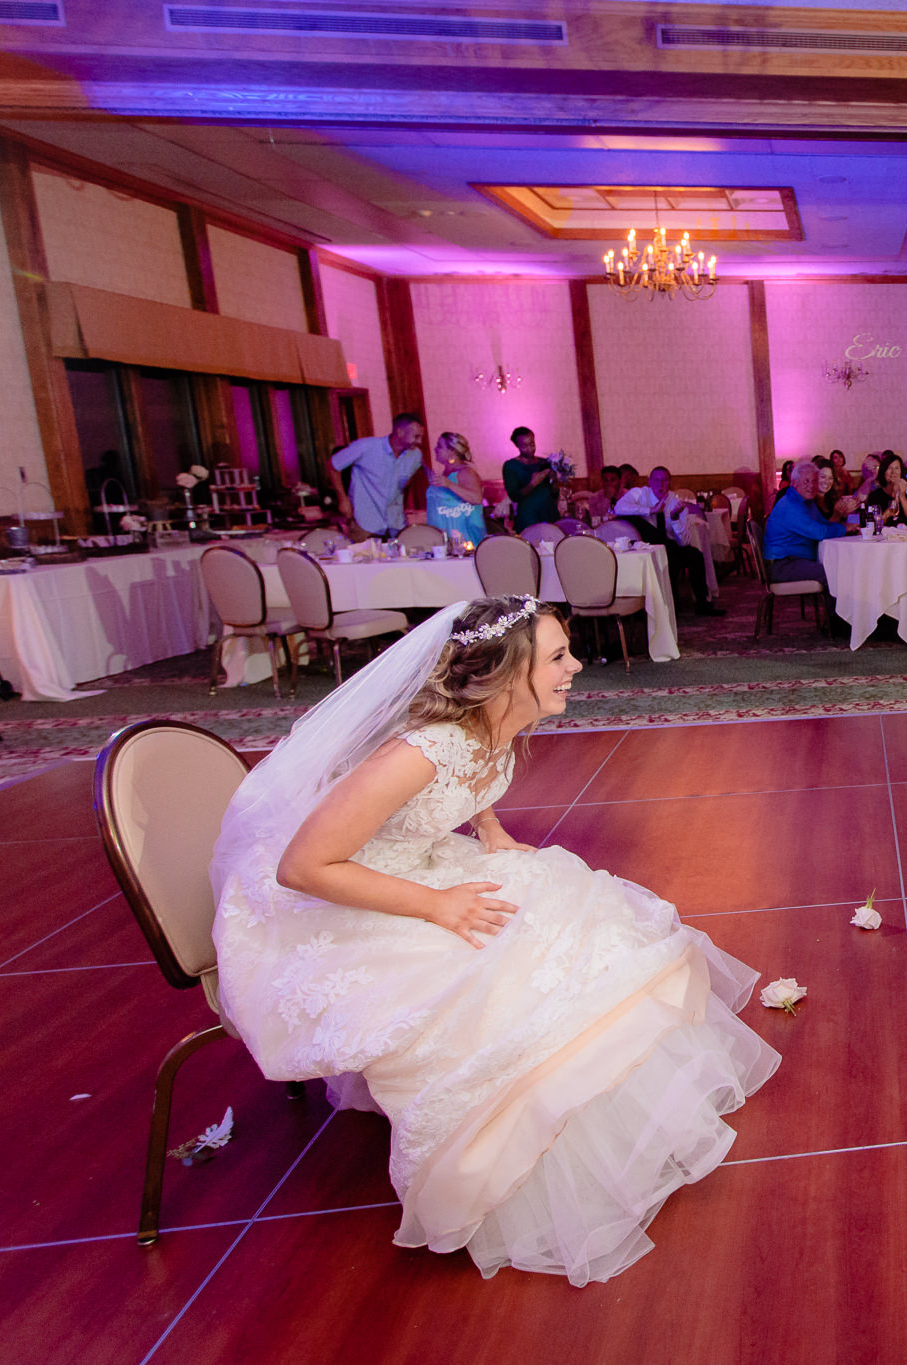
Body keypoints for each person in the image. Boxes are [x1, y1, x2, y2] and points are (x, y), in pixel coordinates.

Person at [210, 597, 779, 1283]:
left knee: (580, 917)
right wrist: (434, 904)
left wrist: (488, 830)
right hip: (339, 897)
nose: (576, 666)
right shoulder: (423, 750)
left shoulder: (493, 722)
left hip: (414, 863)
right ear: (509, 676)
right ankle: (525, 1144)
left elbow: (473, 770)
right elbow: (301, 867)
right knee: (502, 980)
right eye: (559, 657)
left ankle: (604, 1099)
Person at [616, 465, 725, 616]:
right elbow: (619, 508)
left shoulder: (675, 502)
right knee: (666, 555)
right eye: (656, 480)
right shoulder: (640, 494)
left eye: (664, 480)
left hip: (668, 545)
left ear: (669, 482)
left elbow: (684, 541)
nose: (660, 485)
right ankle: (670, 606)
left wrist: (674, 518)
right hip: (644, 546)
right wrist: (650, 510)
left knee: (695, 555)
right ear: (650, 481)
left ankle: (702, 604)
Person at [329, 412, 426, 540]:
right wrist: (343, 499)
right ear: (400, 432)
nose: (420, 441)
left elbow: (406, 483)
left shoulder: (415, 455)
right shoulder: (366, 447)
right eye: (416, 436)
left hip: (396, 523)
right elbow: (333, 465)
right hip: (366, 522)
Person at [765, 460, 854, 587]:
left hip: (796, 559)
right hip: (783, 564)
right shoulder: (790, 505)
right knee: (835, 571)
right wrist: (844, 529)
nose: (812, 486)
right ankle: (838, 607)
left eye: (814, 481)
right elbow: (819, 532)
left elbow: (822, 523)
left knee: (842, 565)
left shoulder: (806, 501)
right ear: (794, 483)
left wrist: (848, 528)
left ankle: (842, 606)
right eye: (806, 481)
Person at [425, 431, 489, 546]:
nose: (435, 449)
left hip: (463, 536)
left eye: (440, 446)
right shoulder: (444, 474)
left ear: (452, 451)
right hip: (442, 535)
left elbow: (476, 498)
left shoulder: (465, 472)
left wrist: (450, 485)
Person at [502, 426, 558, 531]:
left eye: (532, 444)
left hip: (549, 512)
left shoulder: (544, 462)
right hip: (528, 516)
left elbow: (554, 493)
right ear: (517, 446)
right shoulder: (510, 466)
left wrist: (554, 480)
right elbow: (514, 496)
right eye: (524, 446)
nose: (530, 449)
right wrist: (532, 484)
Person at [866, 451, 907, 527]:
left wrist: (902, 496)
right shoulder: (875, 496)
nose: (893, 472)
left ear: (901, 472)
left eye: (896, 468)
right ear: (884, 471)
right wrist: (889, 511)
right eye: (889, 468)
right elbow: (873, 524)